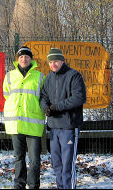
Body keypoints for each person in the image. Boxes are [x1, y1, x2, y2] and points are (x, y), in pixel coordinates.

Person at [40, 48, 86, 189]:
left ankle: (69, 186)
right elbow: (43, 97)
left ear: (62, 61)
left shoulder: (74, 76)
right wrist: (45, 108)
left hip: (69, 126)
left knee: (67, 164)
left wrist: (56, 107)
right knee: (56, 162)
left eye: (56, 61)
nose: (53, 65)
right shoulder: (49, 78)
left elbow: (79, 98)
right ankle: (61, 186)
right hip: (54, 127)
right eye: (51, 62)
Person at [3, 46, 46, 189]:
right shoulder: (9, 76)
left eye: (27, 56)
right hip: (16, 124)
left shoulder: (40, 77)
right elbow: (6, 95)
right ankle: (19, 185)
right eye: (21, 57)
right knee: (18, 157)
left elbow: (43, 97)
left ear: (31, 59)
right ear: (18, 59)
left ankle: (33, 185)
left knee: (34, 159)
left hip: (33, 124)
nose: (24, 59)